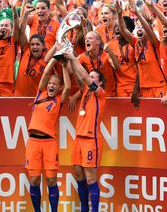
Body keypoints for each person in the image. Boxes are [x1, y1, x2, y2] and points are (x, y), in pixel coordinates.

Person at [26, 57, 71, 212]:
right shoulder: (40, 93)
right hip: (33, 143)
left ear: (59, 88)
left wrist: (64, 65)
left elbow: (68, 88)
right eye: (50, 83)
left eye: (55, 84)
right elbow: (45, 73)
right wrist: (54, 59)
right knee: (34, 180)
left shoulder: (59, 100)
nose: (51, 85)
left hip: (49, 143)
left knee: (51, 180)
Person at [64, 50, 106, 212]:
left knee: (90, 178)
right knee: (79, 176)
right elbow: (78, 75)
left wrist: (74, 58)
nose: (90, 77)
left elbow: (85, 78)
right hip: (78, 139)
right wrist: (67, 60)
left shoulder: (100, 93)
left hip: (91, 139)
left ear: (100, 82)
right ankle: (84, 209)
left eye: (94, 76)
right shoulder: (86, 92)